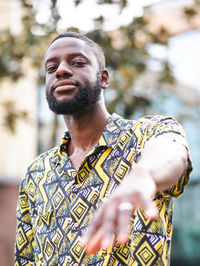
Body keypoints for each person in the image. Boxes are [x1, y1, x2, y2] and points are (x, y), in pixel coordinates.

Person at [15, 32, 192, 266]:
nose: (61, 71)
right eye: (51, 68)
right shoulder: (37, 172)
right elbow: (25, 260)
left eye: (77, 63)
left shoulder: (144, 136)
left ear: (104, 78)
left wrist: (143, 175)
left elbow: (173, 152)